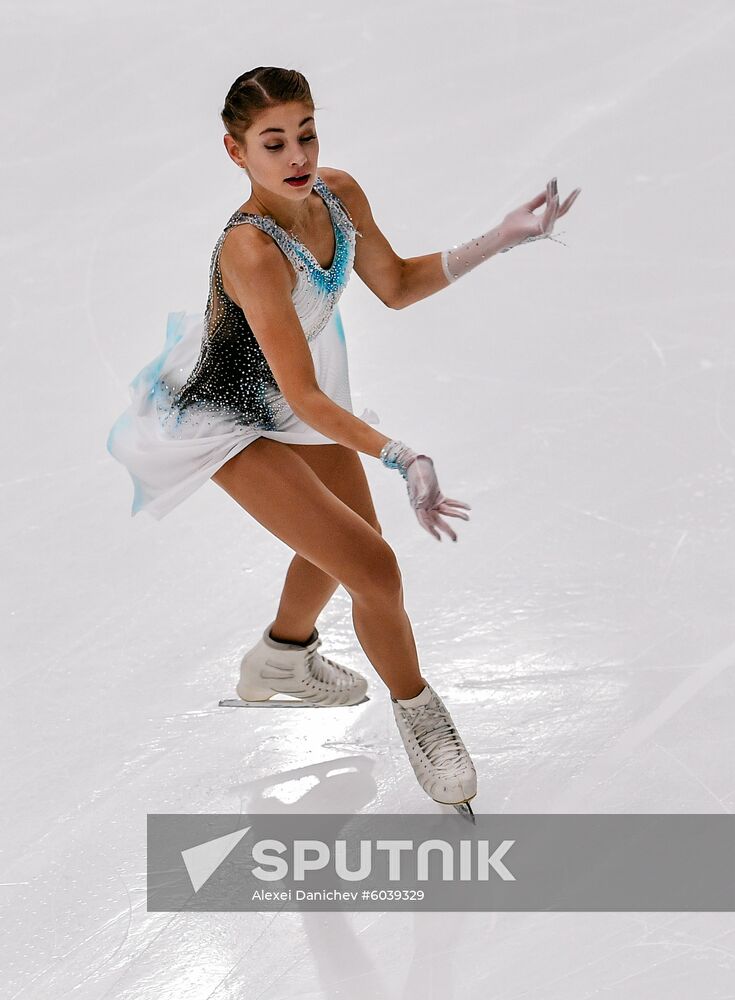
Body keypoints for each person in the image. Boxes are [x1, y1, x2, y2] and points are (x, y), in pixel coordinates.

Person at [106, 66, 581, 817]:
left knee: (340, 547)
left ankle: (281, 656)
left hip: (296, 390)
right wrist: (400, 454)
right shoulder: (250, 250)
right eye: (273, 144)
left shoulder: (338, 194)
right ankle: (419, 712)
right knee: (374, 566)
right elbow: (303, 396)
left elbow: (394, 284)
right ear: (236, 152)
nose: (297, 156)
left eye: (306, 134)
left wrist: (499, 238)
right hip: (230, 417)